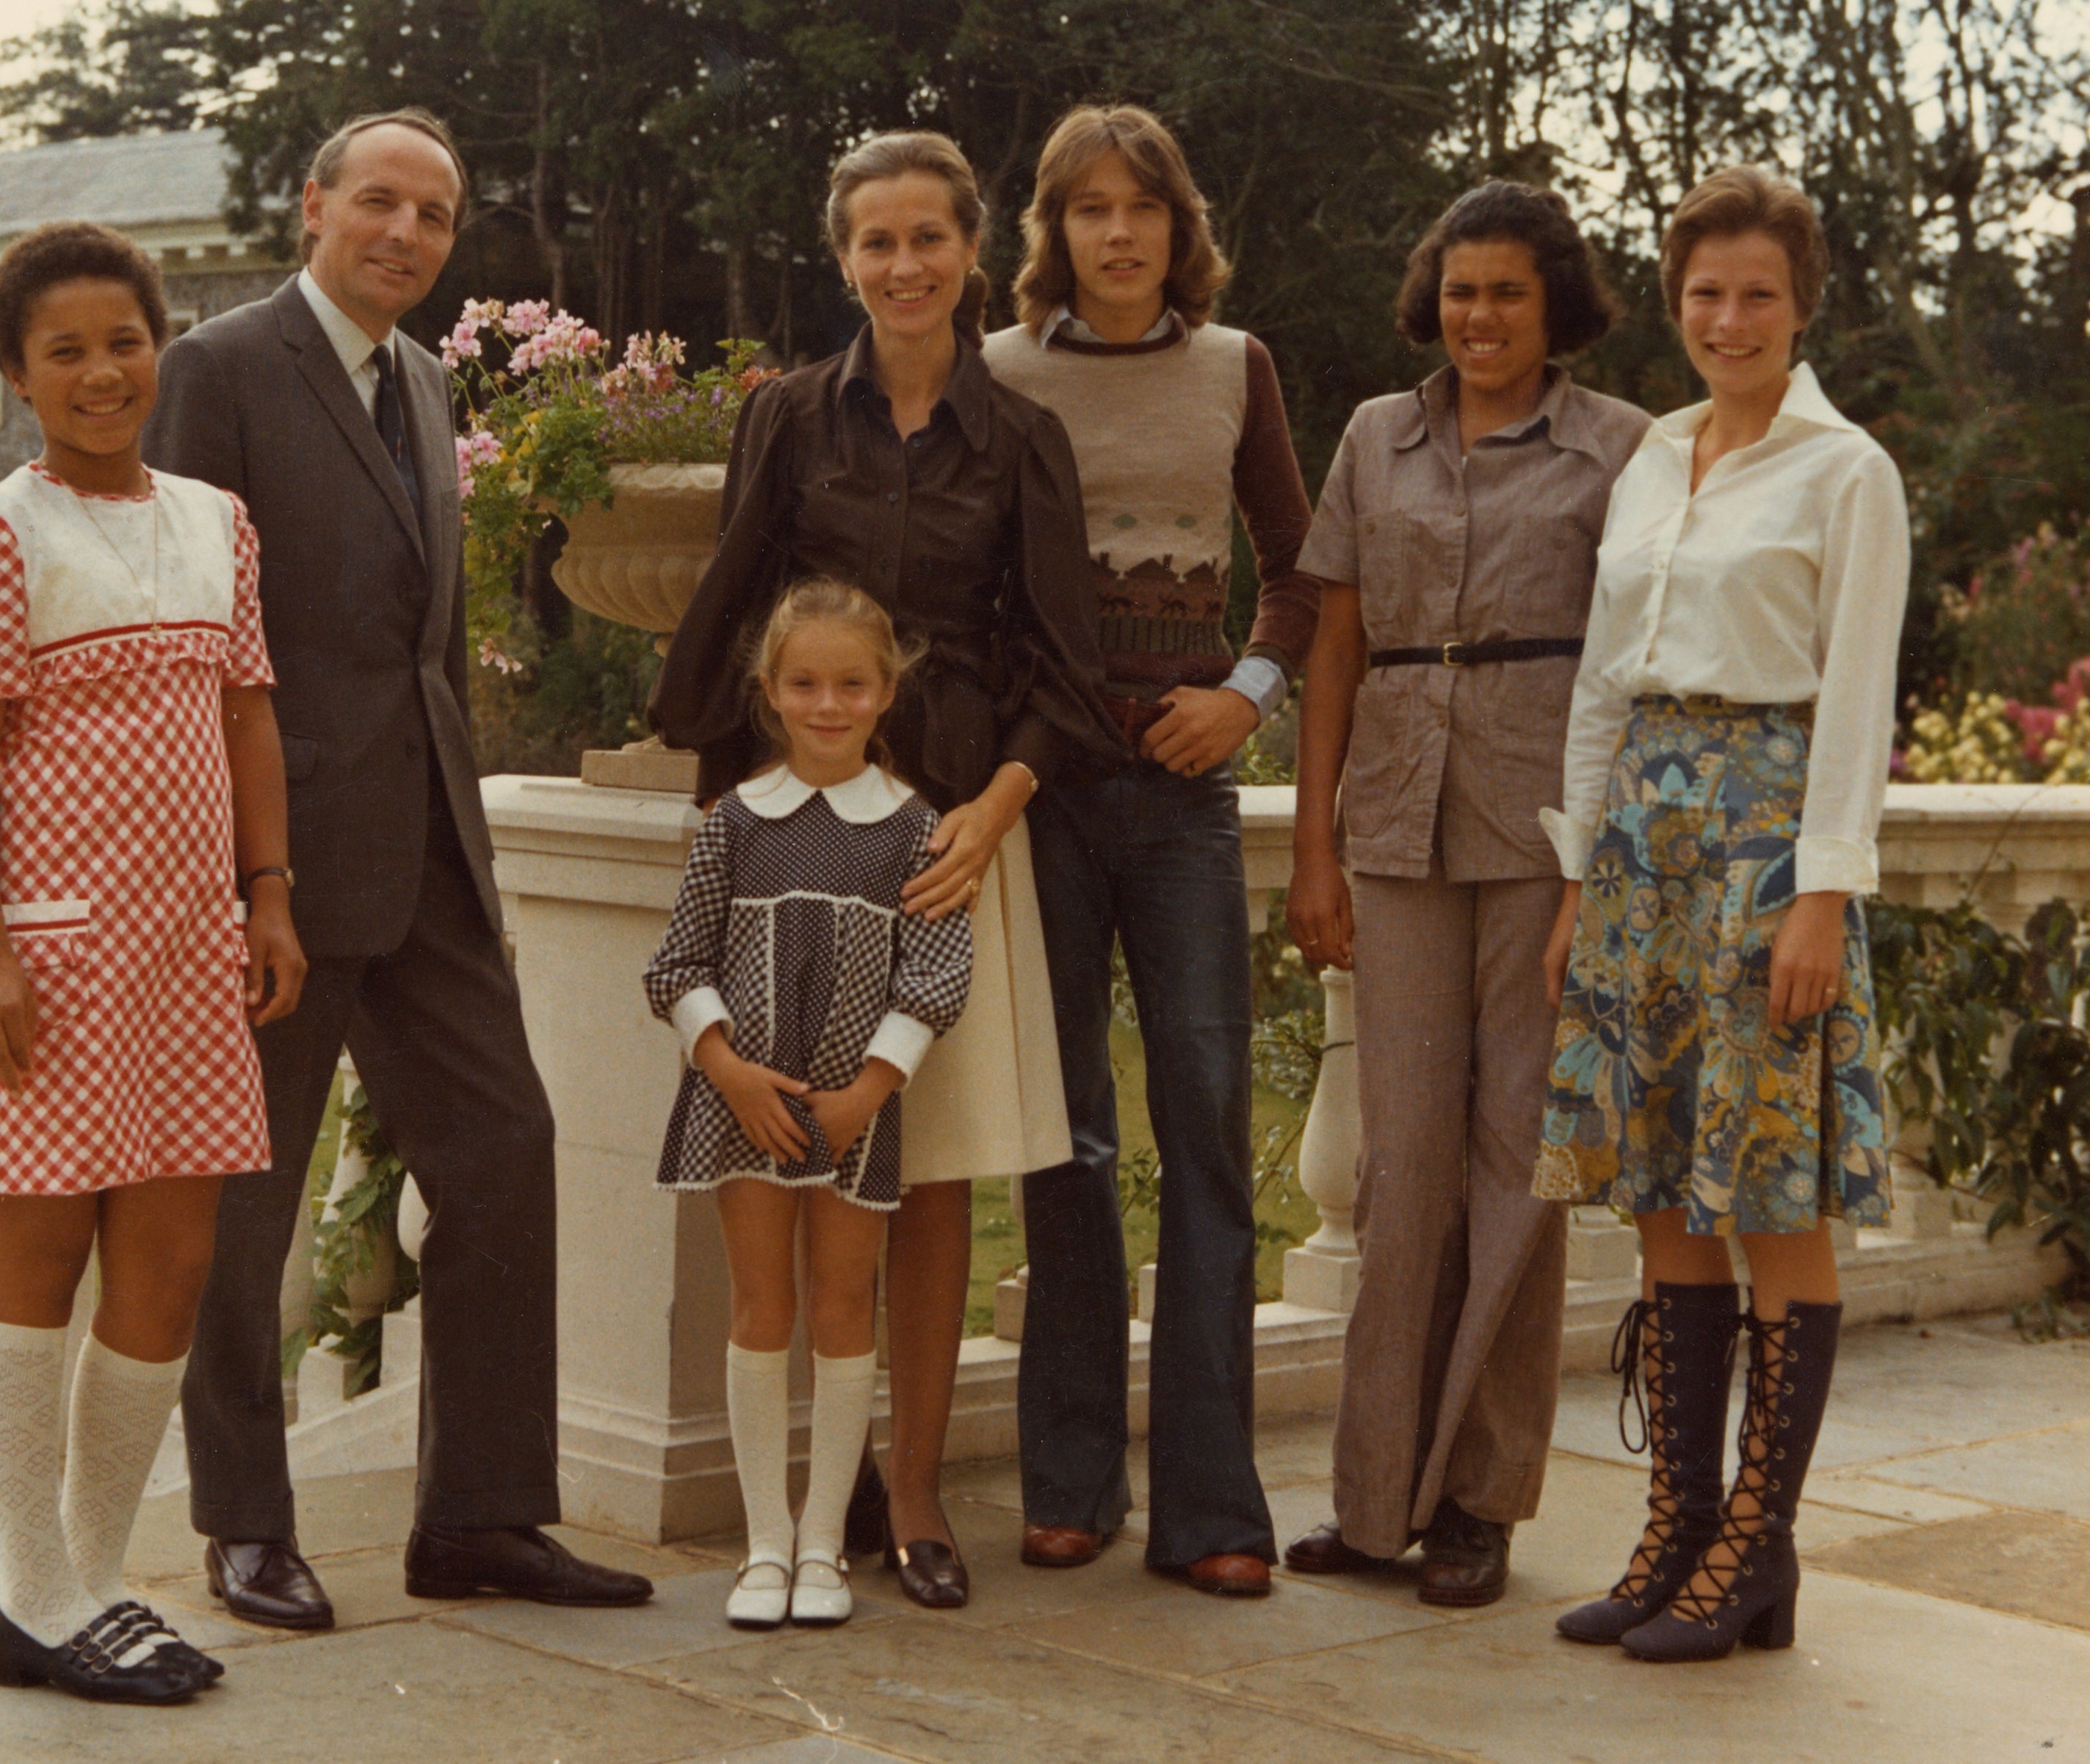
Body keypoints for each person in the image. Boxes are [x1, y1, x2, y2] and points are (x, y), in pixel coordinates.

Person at [145, 106, 651, 1626]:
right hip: (276, 863)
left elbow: (416, 638)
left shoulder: (424, 384)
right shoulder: (219, 371)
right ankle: (243, 1523)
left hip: (429, 847)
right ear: (314, 207)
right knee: (249, 1200)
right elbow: (183, 636)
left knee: (501, 1152)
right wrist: (235, 874)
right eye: (380, 203)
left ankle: (482, 1519)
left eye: (435, 217)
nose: (407, 236)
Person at [654, 131, 1122, 1610]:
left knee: (920, 1179)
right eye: (877, 242)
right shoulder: (790, 419)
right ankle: (795, 1507)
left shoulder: (1023, 437)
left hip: (945, 848)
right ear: (842, 257)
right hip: (798, 854)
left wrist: (989, 816)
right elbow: (733, 630)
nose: (904, 266)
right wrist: (729, 851)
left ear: (970, 253)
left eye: (930, 238)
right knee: (799, 1178)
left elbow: (1067, 669)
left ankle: (910, 1493)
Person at [0, 221, 305, 1703]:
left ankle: (98, 1574)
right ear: (16, 373)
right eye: (63, 349)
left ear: (157, 347)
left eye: (122, 340)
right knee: (36, 1253)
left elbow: (249, 719)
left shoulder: (215, 521)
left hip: (189, 954)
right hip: (50, 957)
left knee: (173, 1260)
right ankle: (31, 1591)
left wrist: (270, 895)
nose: (101, 370)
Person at [1536, 165, 1902, 1661]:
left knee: (1768, 1195)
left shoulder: (1844, 470)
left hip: (1761, 848)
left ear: (1800, 302)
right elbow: (1602, 679)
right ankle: (1680, 1528)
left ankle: (1758, 1542)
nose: (1727, 318)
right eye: (1703, 293)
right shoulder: (1652, 458)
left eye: (1756, 293)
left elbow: (1856, 695)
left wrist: (1819, 891)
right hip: (1638, 842)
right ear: (1674, 300)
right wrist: (1577, 877)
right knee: (1665, 1194)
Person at [1281, 184, 1651, 1606]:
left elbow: (1630, 664)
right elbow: (1334, 644)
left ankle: (1483, 1501)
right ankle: (1376, 1504)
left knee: (1516, 1165)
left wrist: (1596, 865)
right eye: (1457, 291)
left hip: (1541, 826)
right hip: (1393, 823)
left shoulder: (1621, 449)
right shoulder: (1377, 434)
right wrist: (1316, 844)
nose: (1478, 316)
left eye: (1504, 292)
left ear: (1554, 303)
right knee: (1399, 1169)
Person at [980, 104, 1316, 1596]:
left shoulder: (1236, 369)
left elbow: (1303, 570)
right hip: (1043, 795)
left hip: (1182, 804)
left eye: (1144, 209)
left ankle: (1213, 1505)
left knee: (1205, 1135)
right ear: (1051, 230)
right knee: (1062, 1142)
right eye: (1088, 209)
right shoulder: (998, 376)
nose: (1118, 234)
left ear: (1182, 228)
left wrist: (1245, 697)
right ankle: (1068, 1480)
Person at [646, 579, 975, 1630]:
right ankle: (765, 1545)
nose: (827, 703)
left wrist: (865, 1095)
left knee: (842, 1307)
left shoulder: (914, 828)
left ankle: (826, 1541)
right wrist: (729, 1071)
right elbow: (677, 963)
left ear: (886, 693)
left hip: (853, 1114)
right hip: (743, 1110)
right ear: (769, 691)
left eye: (851, 683)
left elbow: (935, 974)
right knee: (762, 1309)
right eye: (804, 683)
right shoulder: (736, 822)